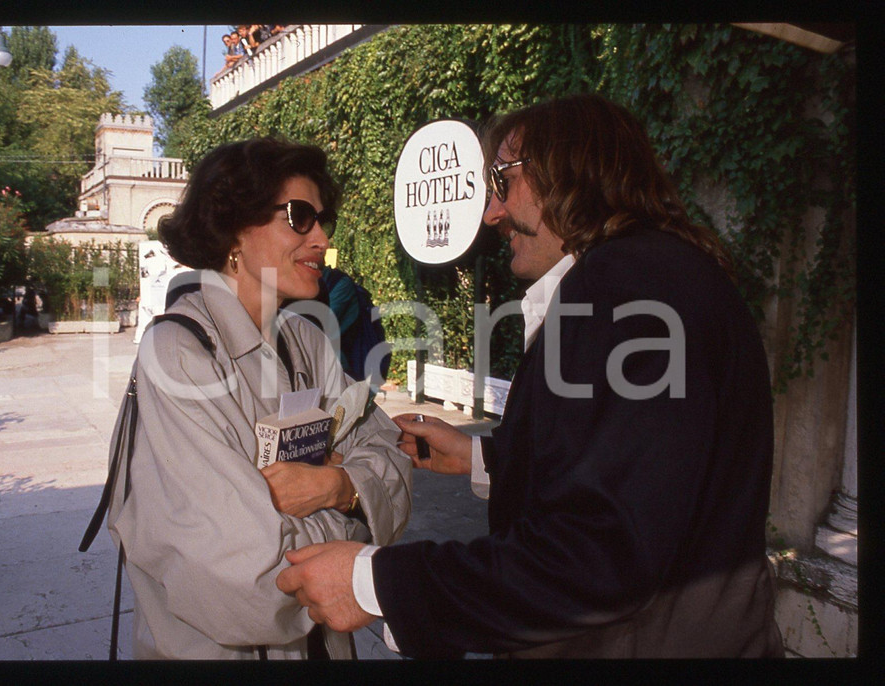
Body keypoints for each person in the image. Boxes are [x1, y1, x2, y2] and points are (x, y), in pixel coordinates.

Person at [276, 93, 784, 658]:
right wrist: (484, 459)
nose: (492, 213)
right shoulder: (657, 273)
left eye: (502, 181)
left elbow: (601, 557)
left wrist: (378, 583)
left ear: (572, 174)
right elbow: (638, 469)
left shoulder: (621, 287)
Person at [106, 137, 412, 659]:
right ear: (233, 230)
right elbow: (239, 572)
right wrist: (356, 522)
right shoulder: (177, 355)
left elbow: (395, 460)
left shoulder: (309, 342)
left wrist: (333, 485)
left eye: (323, 219)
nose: (321, 237)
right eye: (299, 216)